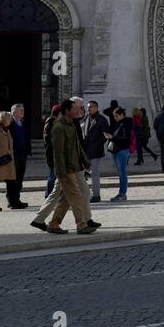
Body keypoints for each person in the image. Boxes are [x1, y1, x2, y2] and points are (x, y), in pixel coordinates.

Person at [30, 99, 99, 235]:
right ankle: (81, 225)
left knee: (65, 199)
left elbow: (77, 146)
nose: (77, 111)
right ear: (67, 111)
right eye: (74, 109)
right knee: (76, 196)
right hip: (66, 169)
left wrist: (85, 160)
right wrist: (60, 173)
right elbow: (58, 153)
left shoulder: (71, 124)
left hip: (75, 166)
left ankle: (54, 224)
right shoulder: (58, 127)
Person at [82, 100, 107, 202]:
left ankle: (96, 195)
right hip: (86, 150)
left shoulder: (101, 119)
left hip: (96, 150)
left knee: (94, 173)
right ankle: (86, 194)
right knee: (84, 174)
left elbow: (105, 135)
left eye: (91, 107)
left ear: (96, 107)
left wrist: (97, 144)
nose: (89, 109)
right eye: (88, 107)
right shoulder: (87, 118)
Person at [105, 108, 132, 201]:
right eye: (114, 116)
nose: (115, 118)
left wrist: (113, 137)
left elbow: (126, 138)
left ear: (122, 115)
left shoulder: (126, 124)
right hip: (116, 150)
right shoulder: (118, 123)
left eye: (116, 116)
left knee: (122, 173)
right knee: (120, 173)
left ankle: (122, 193)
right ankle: (121, 193)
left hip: (122, 150)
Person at [8, 103, 30, 196]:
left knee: (20, 175)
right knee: (13, 176)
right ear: (14, 112)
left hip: (23, 153)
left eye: (23, 110)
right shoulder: (9, 123)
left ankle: (17, 197)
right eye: (21, 110)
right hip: (14, 153)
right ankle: (11, 198)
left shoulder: (23, 123)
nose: (23, 112)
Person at [42, 103, 60, 197]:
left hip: (54, 154)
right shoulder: (51, 123)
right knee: (52, 176)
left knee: (54, 175)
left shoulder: (54, 122)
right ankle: (48, 195)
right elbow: (49, 140)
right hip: (53, 154)